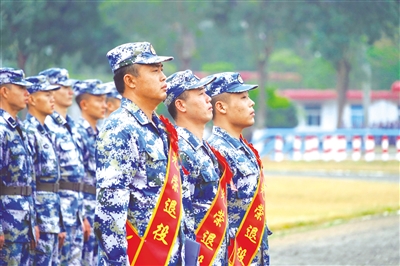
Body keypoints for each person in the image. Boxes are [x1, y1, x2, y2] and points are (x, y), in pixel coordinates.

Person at [95, 42, 185, 265]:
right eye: (154, 71)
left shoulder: (161, 129)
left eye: (162, 70)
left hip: (168, 253)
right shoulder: (119, 129)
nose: (164, 77)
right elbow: (109, 211)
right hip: (139, 255)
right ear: (130, 80)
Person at [164, 70, 232, 265]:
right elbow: (181, 215)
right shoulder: (180, 150)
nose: (208, 99)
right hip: (198, 255)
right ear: (180, 104)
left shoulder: (204, 149)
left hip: (216, 251)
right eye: (200, 94)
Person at [207, 72, 272, 266]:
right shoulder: (215, 151)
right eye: (243, 98)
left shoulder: (244, 148)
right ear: (221, 107)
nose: (251, 103)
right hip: (233, 255)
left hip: (255, 252)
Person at [39, 68, 86, 266]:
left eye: (70, 86)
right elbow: (47, 178)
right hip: (56, 211)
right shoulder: (46, 126)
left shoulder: (72, 126)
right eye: (63, 87)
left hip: (75, 209)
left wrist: (82, 214)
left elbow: (79, 176)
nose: (70, 91)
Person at [23, 75, 65, 265]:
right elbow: (29, 182)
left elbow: (55, 184)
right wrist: (33, 222)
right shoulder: (29, 132)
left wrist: (61, 223)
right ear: (31, 99)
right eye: (47, 94)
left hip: (52, 218)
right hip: (40, 218)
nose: (52, 99)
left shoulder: (46, 132)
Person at [0, 67, 38, 266]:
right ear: (4, 91)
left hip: (23, 226)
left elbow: (28, 181)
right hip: (7, 226)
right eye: (20, 88)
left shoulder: (17, 128)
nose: (27, 93)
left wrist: (34, 223)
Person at [73, 79, 107, 266]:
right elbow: (76, 178)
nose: (104, 105)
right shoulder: (78, 133)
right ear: (84, 104)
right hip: (85, 206)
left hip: (99, 207)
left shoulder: (101, 134)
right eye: (99, 100)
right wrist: (82, 215)